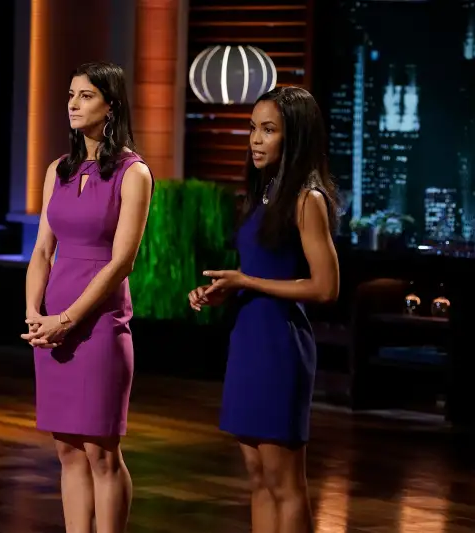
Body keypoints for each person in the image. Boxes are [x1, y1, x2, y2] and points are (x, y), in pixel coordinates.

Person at [188, 86, 339, 533]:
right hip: (248, 337)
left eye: (268, 130)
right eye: (253, 128)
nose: (255, 139)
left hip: (280, 346)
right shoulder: (263, 192)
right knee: (257, 477)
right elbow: (259, 268)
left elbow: (326, 287)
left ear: (295, 137)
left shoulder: (307, 199)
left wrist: (246, 282)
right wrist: (224, 290)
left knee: (285, 482)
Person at [21, 62, 153, 533]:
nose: (73, 104)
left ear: (110, 106)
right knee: (67, 449)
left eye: (86, 96)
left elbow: (122, 262)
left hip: (97, 324)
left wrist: (68, 319)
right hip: (52, 324)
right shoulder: (58, 169)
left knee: (101, 450)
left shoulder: (133, 173)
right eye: (71, 95)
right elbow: (42, 250)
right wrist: (34, 312)